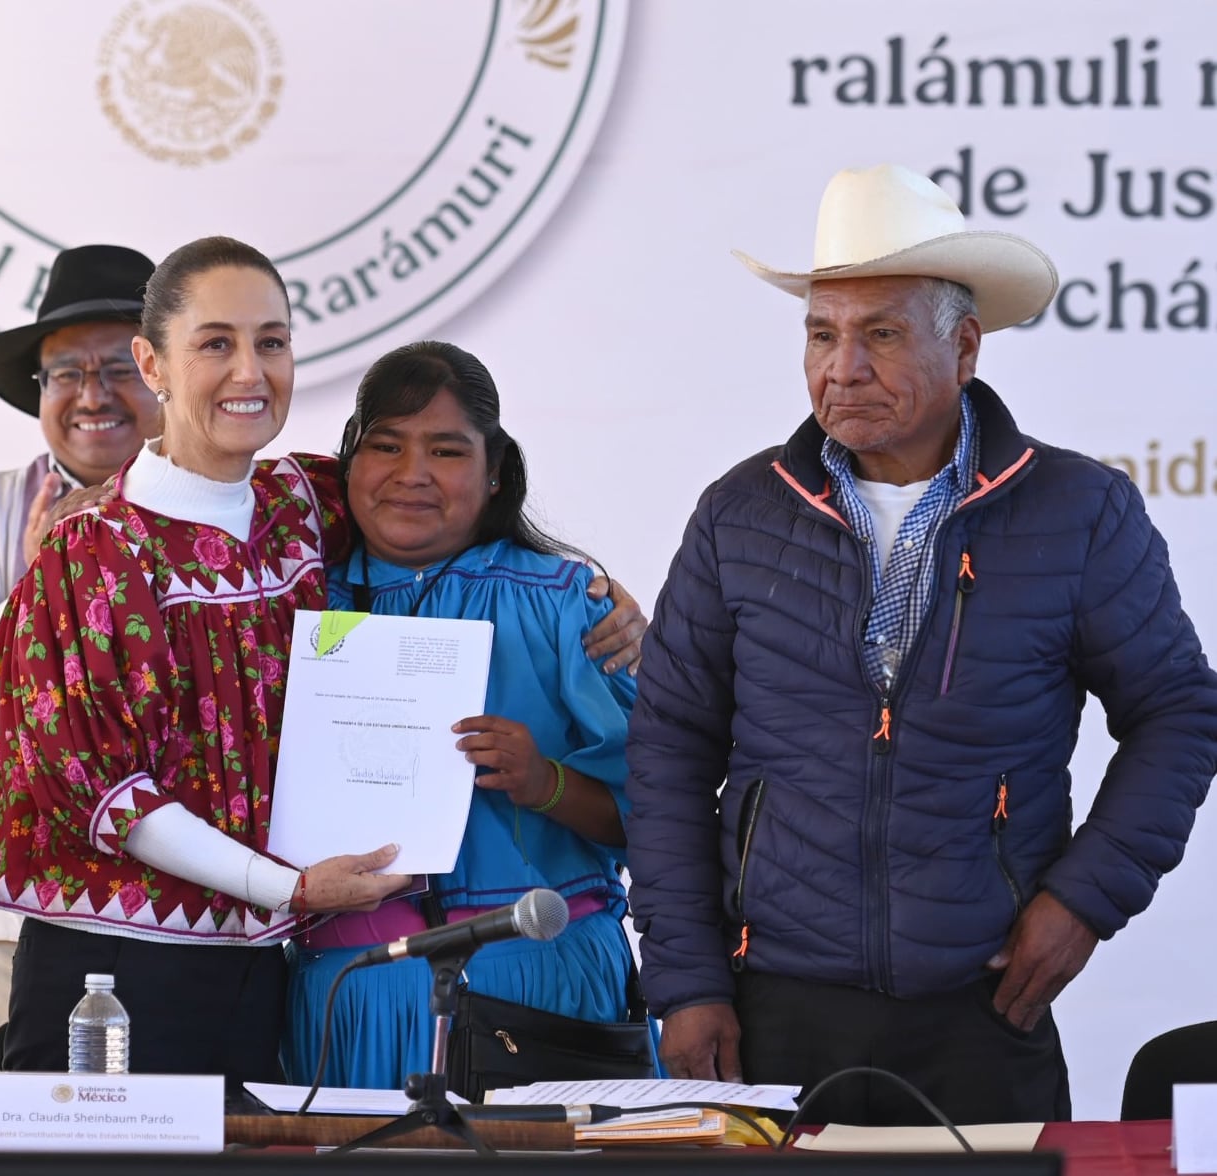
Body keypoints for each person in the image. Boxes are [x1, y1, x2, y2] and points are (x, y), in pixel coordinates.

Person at [625, 164, 1217, 1125]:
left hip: (985, 1011)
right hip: (771, 1009)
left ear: (967, 347)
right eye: (822, 335)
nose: (842, 368)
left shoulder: (1080, 512)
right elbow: (669, 748)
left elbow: (1180, 712)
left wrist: (1084, 901)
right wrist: (685, 978)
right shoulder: (739, 514)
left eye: (882, 335)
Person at [0, 237, 414, 1087]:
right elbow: (108, 794)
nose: (250, 372)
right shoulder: (92, 549)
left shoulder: (300, 504)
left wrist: (590, 588)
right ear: (154, 363)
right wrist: (289, 888)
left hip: (263, 967)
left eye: (272, 341)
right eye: (216, 343)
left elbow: (438, 508)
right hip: (113, 974)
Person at [282, 341, 643, 1090]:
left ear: (495, 471)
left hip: (537, 986)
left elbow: (653, 820)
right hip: (349, 992)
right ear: (347, 463)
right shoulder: (292, 601)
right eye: (385, 445)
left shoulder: (565, 604)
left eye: (446, 451)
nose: (411, 474)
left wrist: (543, 781)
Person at [0, 244, 163, 1071]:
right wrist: (38, 587)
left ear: (165, 373)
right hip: (5, 907)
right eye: (64, 374)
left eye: (119, 366)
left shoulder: (224, 508)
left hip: (182, 911)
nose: (91, 396)